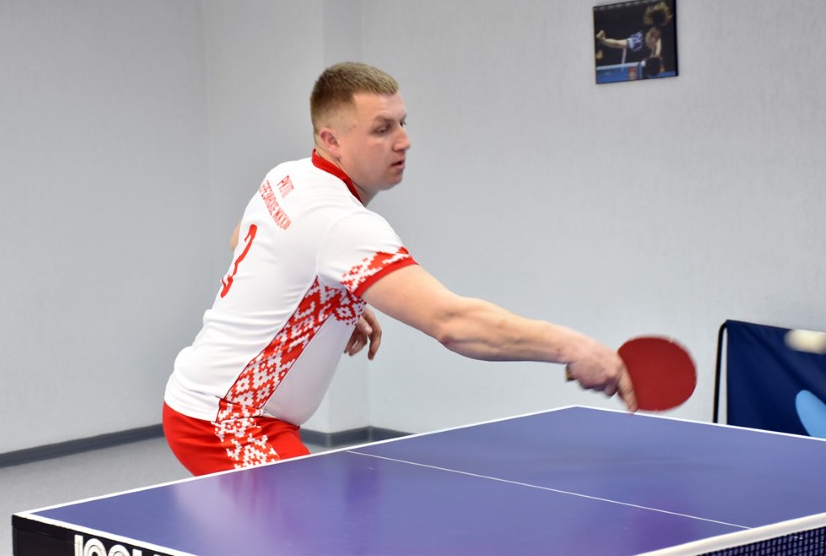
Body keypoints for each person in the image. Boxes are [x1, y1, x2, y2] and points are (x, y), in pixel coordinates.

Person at [162, 62, 637, 475]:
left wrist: (332, 300)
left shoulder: (287, 176)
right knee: (312, 535)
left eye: (403, 123)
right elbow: (453, 323)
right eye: (382, 129)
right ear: (331, 140)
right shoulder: (343, 223)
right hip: (226, 420)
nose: (404, 141)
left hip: (207, 399)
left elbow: (244, 238)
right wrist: (577, 348)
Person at [596, 1, 673, 77]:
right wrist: (603, 41)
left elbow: (658, 40)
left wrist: (657, 53)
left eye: (657, 37)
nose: (654, 40)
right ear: (647, 32)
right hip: (629, 64)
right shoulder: (637, 42)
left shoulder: (657, 39)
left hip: (642, 62)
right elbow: (617, 44)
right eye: (652, 35)